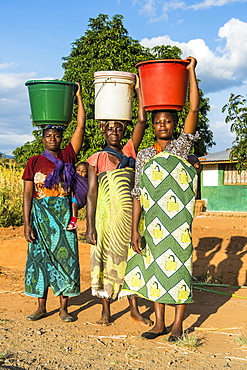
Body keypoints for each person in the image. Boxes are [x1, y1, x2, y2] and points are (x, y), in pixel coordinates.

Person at [119, 56, 200, 341]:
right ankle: (159, 323)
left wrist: (190, 72)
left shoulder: (180, 148)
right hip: (152, 225)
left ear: (175, 125)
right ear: (153, 126)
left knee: (178, 270)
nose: (163, 124)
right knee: (154, 271)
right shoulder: (144, 155)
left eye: (168, 121)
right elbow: (138, 193)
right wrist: (134, 231)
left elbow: (192, 109)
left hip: (177, 225)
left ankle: (178, 325)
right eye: (158, 121)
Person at [86, 76, 152, 326]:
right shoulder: (97, 158)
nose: (115, 132)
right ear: (103, 130)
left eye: (119, 128)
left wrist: (137, 90)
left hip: (129, 220)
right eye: (110, 128)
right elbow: (92, 194)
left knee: (131, 260)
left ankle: (134, 310)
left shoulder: (129, 152)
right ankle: (106, 310)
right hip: (105, 220)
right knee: (105, 260)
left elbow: (143, 120)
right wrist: (90, 225)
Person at [23, 83, 85, 322]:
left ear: (61, 138)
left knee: (66, 258)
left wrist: (78, 98)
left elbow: (80, 126)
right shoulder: (34, 161)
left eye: (56, 135)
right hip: (39, 217)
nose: (52, 139)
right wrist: (27, 223)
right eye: (48, 135)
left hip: (63, 216)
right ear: (43, 139)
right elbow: (27, 195)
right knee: (39, 258)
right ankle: (41, 307)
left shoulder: (68, 155)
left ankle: (64, 309)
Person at [65, 161, 89, 230]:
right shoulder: (74, 177)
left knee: (73, 204)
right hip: (71, 196)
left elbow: (86, 191)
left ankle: (73, 222)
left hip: (79, 200)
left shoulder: (88, 181)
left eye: (84, 171)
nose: (80, 173)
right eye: (78, 170)